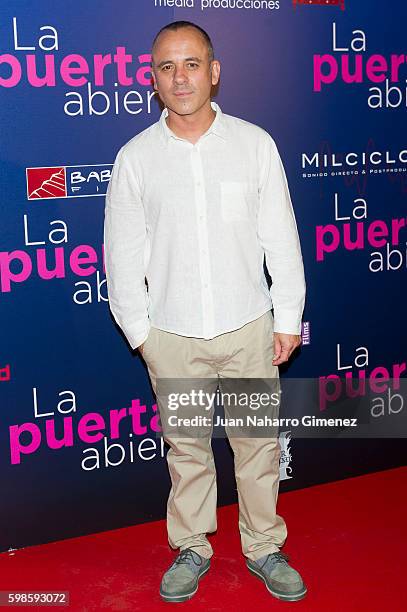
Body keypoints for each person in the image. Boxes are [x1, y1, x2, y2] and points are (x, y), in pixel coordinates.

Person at [103, 20, 307, 603]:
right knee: (187, 451)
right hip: (172, 335)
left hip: (249, 328)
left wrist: (288, 317)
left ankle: (264, 544)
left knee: (258, 446)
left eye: (191, 63)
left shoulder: (254, 144)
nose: (180, 77)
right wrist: (144, 336)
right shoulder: (135, 159)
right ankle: (192, 544)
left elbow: (281, 238)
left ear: (214, 72)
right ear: (153, 79)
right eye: (167, 67)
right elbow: (122, 256)